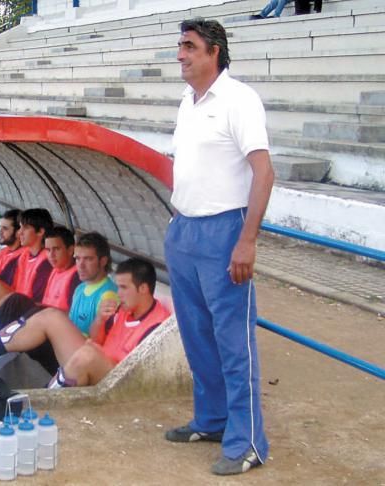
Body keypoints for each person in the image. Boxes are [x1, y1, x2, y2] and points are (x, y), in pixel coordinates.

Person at [163, 18, 274, 476]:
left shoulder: (239, 100)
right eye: (180, 46)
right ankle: (211, 420)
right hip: (185, 230)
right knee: (197, 336)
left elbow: (264, 173)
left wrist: (246, 240)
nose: (180, 54)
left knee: (233, 341)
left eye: (189, 46)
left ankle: (248, 441)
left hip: (224, 231)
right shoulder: (188, 102)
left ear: (214, 52)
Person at [0, 258, 169, 388]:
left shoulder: (158, 325)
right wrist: (100, 320)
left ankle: (46, 399)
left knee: (87, 354)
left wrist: (94, 352)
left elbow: (136, 376)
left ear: (143, 289)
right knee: (51, 316)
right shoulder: (124, 310)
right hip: (92, 361)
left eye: (123, 287)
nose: (117, 292)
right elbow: (98, 338)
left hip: (114, 381)